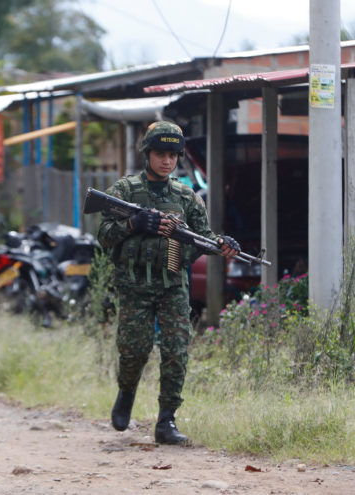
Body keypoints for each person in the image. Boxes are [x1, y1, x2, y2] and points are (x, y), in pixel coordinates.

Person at [97, 121, 239, 444]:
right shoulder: (125, 191)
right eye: (160, 154)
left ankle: (166, 421)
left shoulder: (186, 196)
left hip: (173, 283)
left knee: (177, 350)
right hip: (135, 284)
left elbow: (204, 238)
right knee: (135, 349)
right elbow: (104, 235)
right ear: (147, 154)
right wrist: (134, 222)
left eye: (173, 155)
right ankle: (126, 391)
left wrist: (223, 245)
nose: (167, 161)